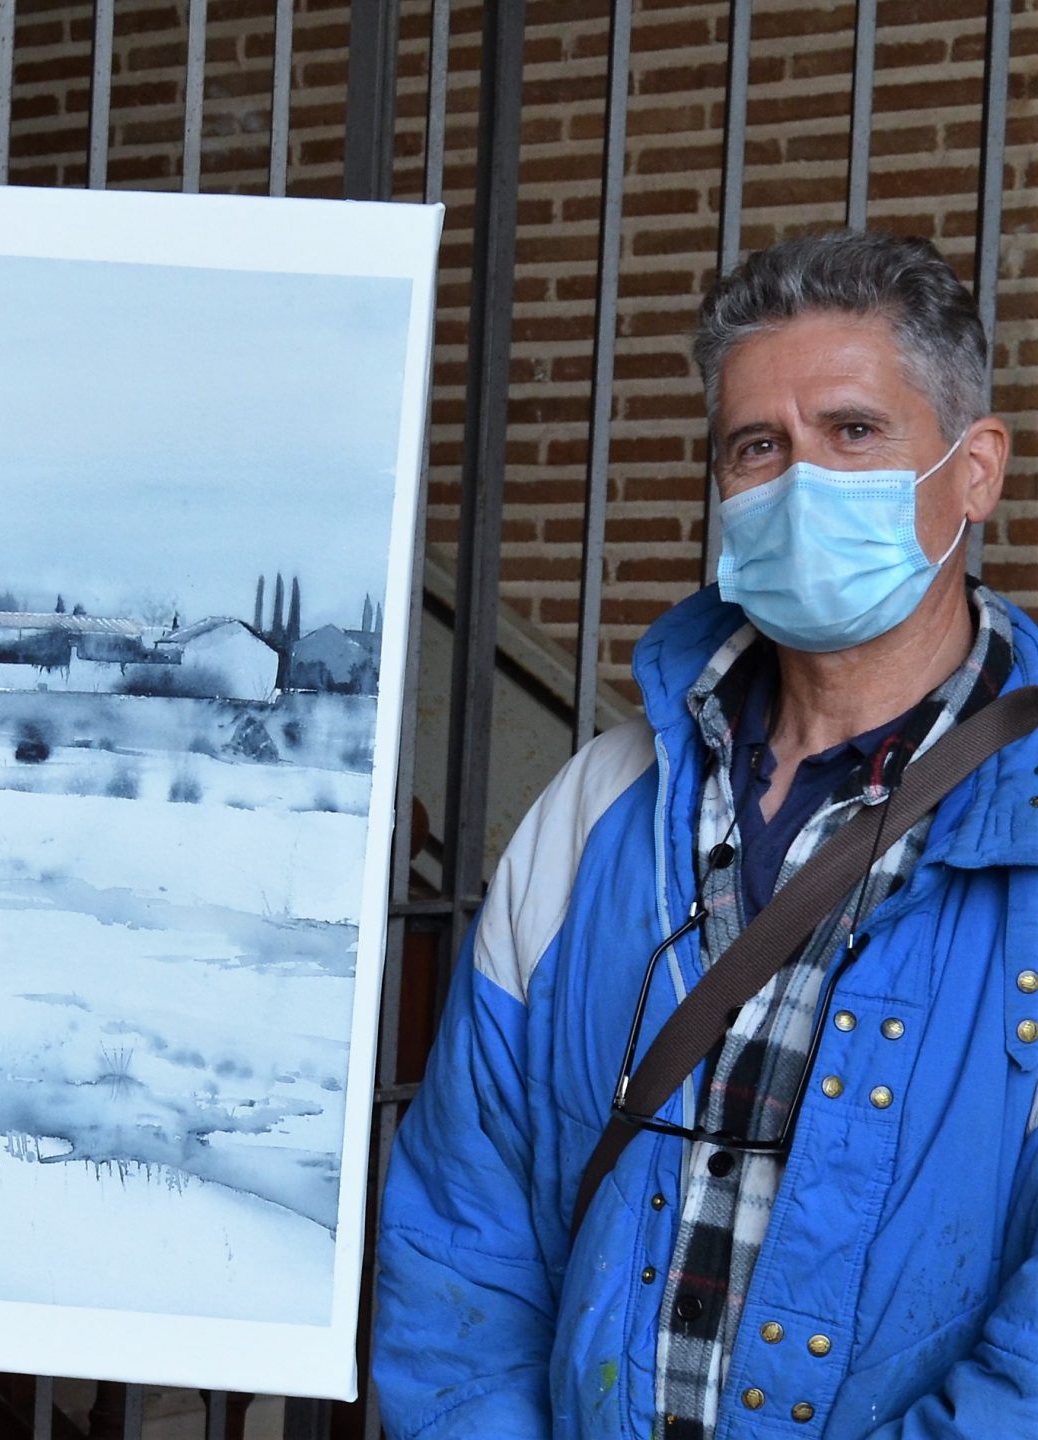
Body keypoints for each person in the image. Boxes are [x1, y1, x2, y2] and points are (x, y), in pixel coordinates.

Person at [374, 229, 1038, 1438]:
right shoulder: (596, 808)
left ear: (973, 468)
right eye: (756, 447)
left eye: (851, 432)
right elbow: (461, 1237)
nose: (797, 483)